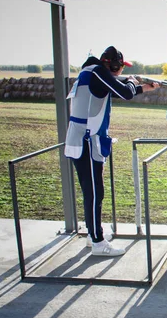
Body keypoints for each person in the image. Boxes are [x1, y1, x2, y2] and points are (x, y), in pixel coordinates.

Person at [65, 46, 159, 256]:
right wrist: (134, 84)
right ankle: (97, 243)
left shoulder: (90, 73)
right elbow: (125, 92)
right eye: (119, 68)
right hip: (86, 142)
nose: (119, 72)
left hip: (83, 140)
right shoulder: (98, 72)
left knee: (92, 192)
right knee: (95, 193)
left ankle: (93, 235)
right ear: (113, 65)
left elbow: (116, 89)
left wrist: (144, 87)